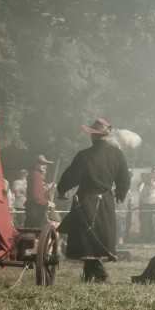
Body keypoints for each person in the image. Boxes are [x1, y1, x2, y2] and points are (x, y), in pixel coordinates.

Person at [56, 118, 131, 283]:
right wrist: (120, 195)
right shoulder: (117, 154)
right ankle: (90, 275)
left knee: (86, 238)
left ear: (93, 136)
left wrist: (62, 190)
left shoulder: (84, 155)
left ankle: (101, 276)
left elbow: (71, 176)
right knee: (94, 237)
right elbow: (124, 178)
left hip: (86, 201)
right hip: (106, 201)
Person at [24, 155, 55, 229]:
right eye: (43, 164)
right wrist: (48, 203)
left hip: (34, 208)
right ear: (36, 164)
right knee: (36, 232)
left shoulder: (35, 174)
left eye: (45, 164)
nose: (45, 166)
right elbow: (36, 197)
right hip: (36, 210)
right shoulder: (36, 175)